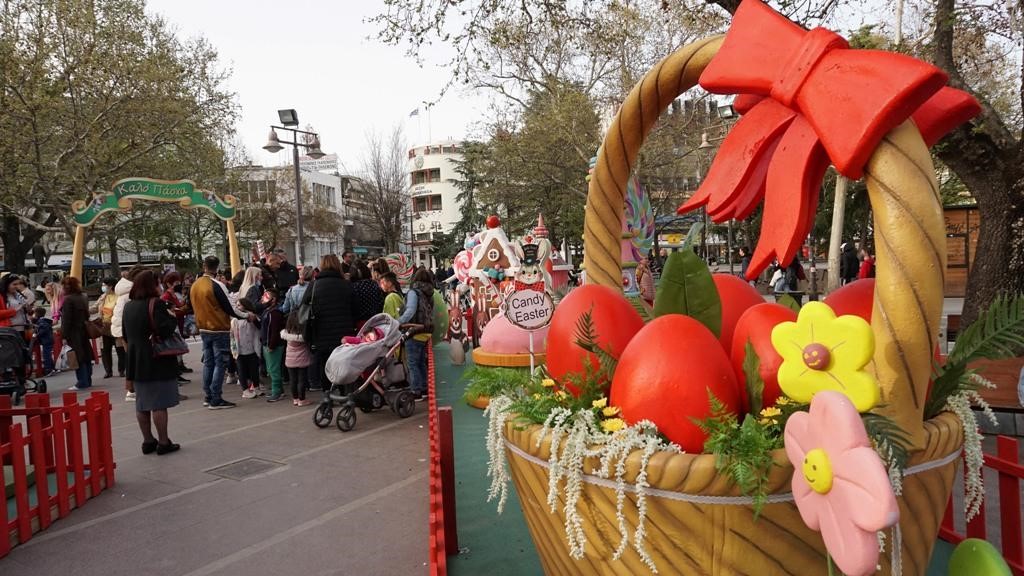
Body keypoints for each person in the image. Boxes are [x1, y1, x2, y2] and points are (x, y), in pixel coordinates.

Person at [122, 270, 180, 455]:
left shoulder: (128, 307)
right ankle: (164, 441)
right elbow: (165, 330)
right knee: (158, 403)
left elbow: (124, 333)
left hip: (135, 357)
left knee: (142, 403)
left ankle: (147, 440)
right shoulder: (157, 304)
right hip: (156, 358)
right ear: (152, 285)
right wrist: (171, 317)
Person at [190, 255, 253, 409]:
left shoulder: (195, 285)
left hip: (203, 328)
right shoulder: (217, 285)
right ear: (217, 268)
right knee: (220, 363)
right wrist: (247, 315)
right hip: (218, 328)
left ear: (204, 266)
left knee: (208, 363)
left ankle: (208, 396)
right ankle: (216, 398)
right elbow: (229, 308)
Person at [300, 254, 356, 392]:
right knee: (343, 362)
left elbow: (304, 305)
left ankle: (327, 392)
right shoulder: (346, 285)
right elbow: (355, 308)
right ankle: (343, 391)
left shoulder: (314, 286)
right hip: (343, 331)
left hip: (320, 331)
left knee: (324, 363)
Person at [398, 268, 435, 400]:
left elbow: (410, 311)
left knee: (413, 362)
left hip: (414, 329)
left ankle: (416, 390)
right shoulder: (430, 292)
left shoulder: (414, 293)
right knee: (420, 362)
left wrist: (398, 321)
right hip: (426, 330)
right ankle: (425, 388)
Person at [112, 266, 144, 401]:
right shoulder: (130, 292)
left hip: (121, 329)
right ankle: (131, 390)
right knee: (133, 360)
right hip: (128, 330)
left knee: (131, 359)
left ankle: (132, 389)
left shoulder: (124, 290)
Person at [60, 275, 93, 391]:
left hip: (73, 331)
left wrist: (64, 335)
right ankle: (88, 379)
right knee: (86, 355)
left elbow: (66, 319)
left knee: (77, 357)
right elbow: (87, 314)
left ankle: (82, 381)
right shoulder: (82, 297)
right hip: (83, 329)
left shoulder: (68, 300)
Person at [233, 298, 263, 399]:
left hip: (252, 348)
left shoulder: (252, 317)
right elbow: (232, 336)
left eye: (240, 305)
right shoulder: (234, 319)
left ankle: (256, 387)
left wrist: (252, 318)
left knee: (254, 370)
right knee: (242, 371)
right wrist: (233, 349)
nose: (238, 307)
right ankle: (245, 390)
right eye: (237, 305)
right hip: (240, 350)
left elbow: (259, 327)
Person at [281, 311, 312, 406]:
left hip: (290, 361)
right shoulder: (304, 335)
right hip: (302, 360)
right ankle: (302, 399)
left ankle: (295, 399)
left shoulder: (286, 333)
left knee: (293, 380)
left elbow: (282, 333)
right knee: (301, 380)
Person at [260, 287, 285, 402]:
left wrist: (271, 345)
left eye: (266, 296)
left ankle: (277, 392)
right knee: (272, 369)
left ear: (273, 299)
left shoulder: (275, 313)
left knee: (273, 369)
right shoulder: (268, 311)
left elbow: (275, 331)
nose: (263, 298)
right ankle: (279, 389)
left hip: (272, 345)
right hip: (267, 343)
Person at [97, 277, 125, 379]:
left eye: (104, 285)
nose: (103, 287)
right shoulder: (103, 297)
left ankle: (121, 370)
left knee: (120, 349)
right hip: (104, 326)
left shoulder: (119, 297)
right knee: (105, 350)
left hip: (116, 326)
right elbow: (95, 307)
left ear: (111, 286)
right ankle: (108, 371)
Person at [36, 278, 61, 375]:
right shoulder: (52, 300)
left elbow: (57, 312)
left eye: (49, 289)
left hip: (59, 323)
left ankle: (50, 367)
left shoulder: (58, 299)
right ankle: (53, 367)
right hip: (55, 322)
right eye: (46, 289)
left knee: (48, 350)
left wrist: (55, 320)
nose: (47, 291)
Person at [350, 265, 385, 329]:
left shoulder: (354, 286)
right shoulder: (374, 284)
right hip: (376, 319)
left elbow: (353, 305)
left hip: (361, 321)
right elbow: (381, 302)